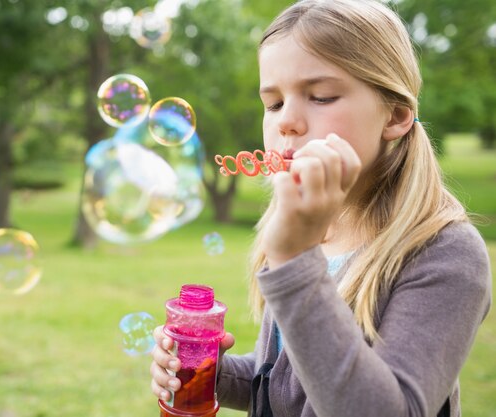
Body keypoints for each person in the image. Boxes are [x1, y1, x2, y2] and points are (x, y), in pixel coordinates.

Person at [150, 0, 492, 416]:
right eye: (273, 104)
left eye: (322, 96)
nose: (286, 121)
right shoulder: (309, 231)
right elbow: (296, 380)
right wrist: (213, 372)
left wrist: (294, 259)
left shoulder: (444, 252)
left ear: (396, 116)